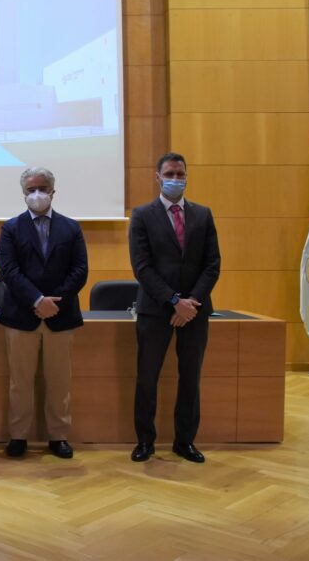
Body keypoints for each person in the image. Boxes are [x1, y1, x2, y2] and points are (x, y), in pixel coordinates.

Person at [129, 152, 221, 464]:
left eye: (181, 174)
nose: (176, 179)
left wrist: (190, 303)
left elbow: (212, 265)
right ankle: (145, 442)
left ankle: (185, 442)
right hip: (155, 310)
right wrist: (173, 301)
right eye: (170, 173)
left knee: (190, 377)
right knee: (147, 378)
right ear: (157, 176)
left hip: (195, 312)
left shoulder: (203, 215)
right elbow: (142, 268)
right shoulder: (142, 215)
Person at [0, 167, 88, 459]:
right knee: (19, 382)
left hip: (61, 316)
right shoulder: (10, 228)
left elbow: (80, 270)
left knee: (59, 381)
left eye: (42, 188)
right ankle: (18, 436)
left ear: (52, 191)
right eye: (31, 189)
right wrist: (36, 300)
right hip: (21, 316)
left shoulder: (71, 228)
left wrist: (53, 302)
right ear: (23, 193)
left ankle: (58, 436)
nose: (37, 194)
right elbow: (9, 270)